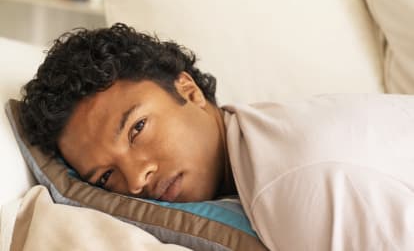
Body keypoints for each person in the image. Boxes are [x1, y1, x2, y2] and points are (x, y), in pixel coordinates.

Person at [20, 23, 414, 250]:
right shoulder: (260, 136)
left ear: (188, 90)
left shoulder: (295, 182)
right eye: (106, 177)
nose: (136, 179)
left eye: (137, 128)